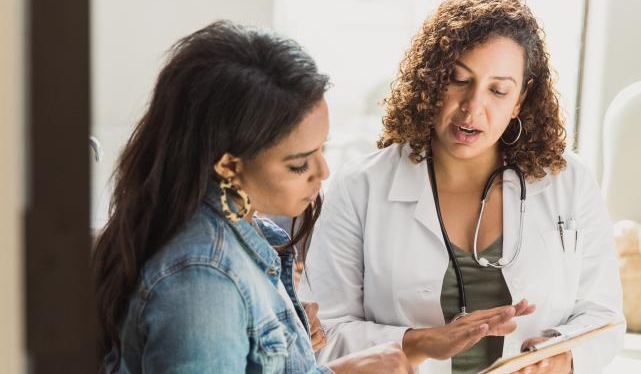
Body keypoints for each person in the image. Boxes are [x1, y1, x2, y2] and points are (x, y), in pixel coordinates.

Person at [299, 0, 624, 374]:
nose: (472, 107)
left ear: (521, 98)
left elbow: (605, 317)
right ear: (432, 81)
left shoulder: (568, 181)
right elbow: (319, 332)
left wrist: (561, 357)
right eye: (458, 80)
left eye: (498, 90)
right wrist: (418, 342)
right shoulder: (362, 185)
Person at [91, 21, 412, 374]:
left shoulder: (237, 233)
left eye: (322, 148)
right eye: (298, 164)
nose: (323, 172)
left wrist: (293, 342)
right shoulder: (204, 279)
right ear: (229, 165)